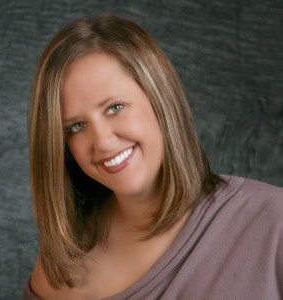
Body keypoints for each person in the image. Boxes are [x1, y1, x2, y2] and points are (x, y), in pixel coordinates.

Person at [22, 14, 283, 300]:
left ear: (161, 97)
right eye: (76, 126)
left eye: (115, 107)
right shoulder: (59, 273)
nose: (103, 142)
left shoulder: (274, 223)